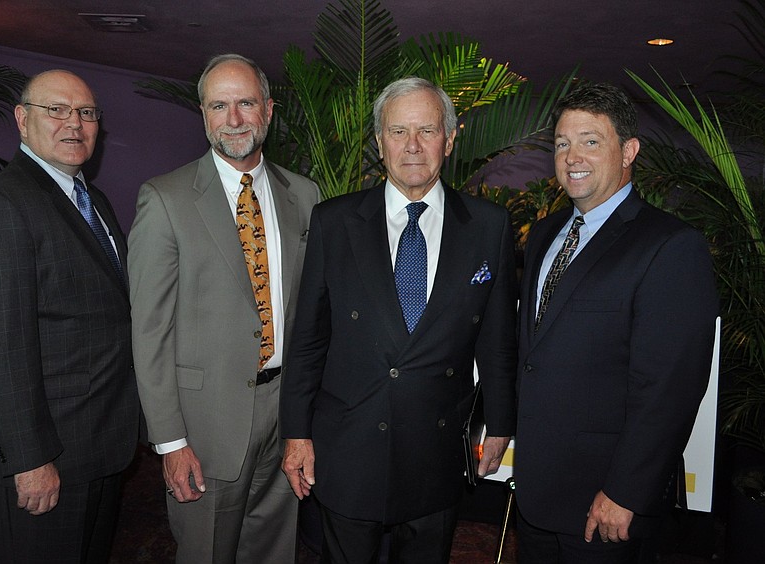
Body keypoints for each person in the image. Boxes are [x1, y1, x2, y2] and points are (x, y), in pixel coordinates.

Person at [280, 77, 518, 563]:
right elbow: (307, 338)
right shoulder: (334, 221)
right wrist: (296, 433)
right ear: (378, 142)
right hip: (349, 442)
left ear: (449, 140)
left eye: (427, 131)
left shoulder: (489, 227)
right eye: (397, 131)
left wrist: (499, 424)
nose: (412, 146)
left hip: (435, 446)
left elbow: (497, 339)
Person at [513, 83, 719, 563]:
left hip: (606, 505)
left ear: (629, 151)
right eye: (562, 143)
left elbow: (671, 387)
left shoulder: (670, 247)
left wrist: (627, 491)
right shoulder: (544, 234)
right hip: (537, 497)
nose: (571, 156)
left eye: (590, 140)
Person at [127, 53, 320, 563]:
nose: (233, 120)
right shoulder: (164, 200)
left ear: (269, 111)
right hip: (204, 426)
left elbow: (311, 313)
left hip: (285, 416)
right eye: (219, 106)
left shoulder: (304, 196)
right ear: (203, 114)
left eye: (246, 103)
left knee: (274, 552)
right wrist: (170, 443)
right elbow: (149, 334)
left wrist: (305, 422)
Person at [0, 70, 139, 563]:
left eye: (86, 113)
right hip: (42, 457)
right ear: (22, 119)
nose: (74, 123)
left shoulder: (90, 201)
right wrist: (30, 459)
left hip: (96, 445)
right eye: (56, 109)